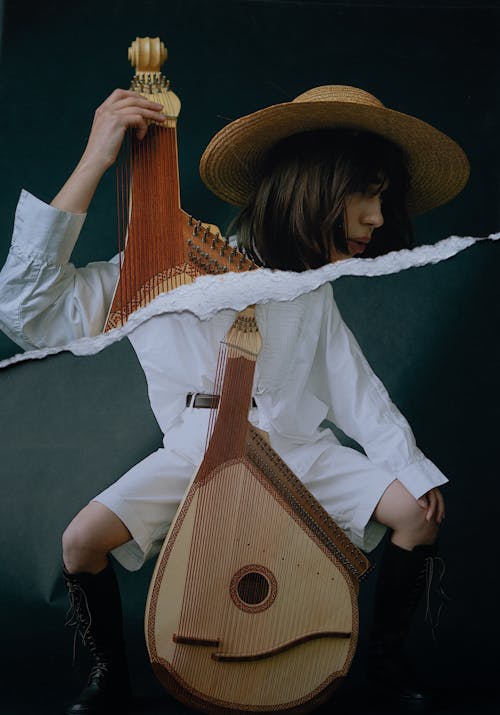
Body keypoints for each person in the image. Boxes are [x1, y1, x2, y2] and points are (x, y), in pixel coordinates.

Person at [0, 85, 469, 714]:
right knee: (81, 541)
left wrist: (408, 466)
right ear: (313, 186)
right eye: (365, 192)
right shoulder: (155, 272)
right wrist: (96, 159)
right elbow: (28, 312)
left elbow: (354, 388)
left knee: (416, 513)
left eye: (381, 197)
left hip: (298, 451)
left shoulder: (311, 287)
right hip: (194, 451)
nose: (377, 218)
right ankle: (109, 677)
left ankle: (384, 662)